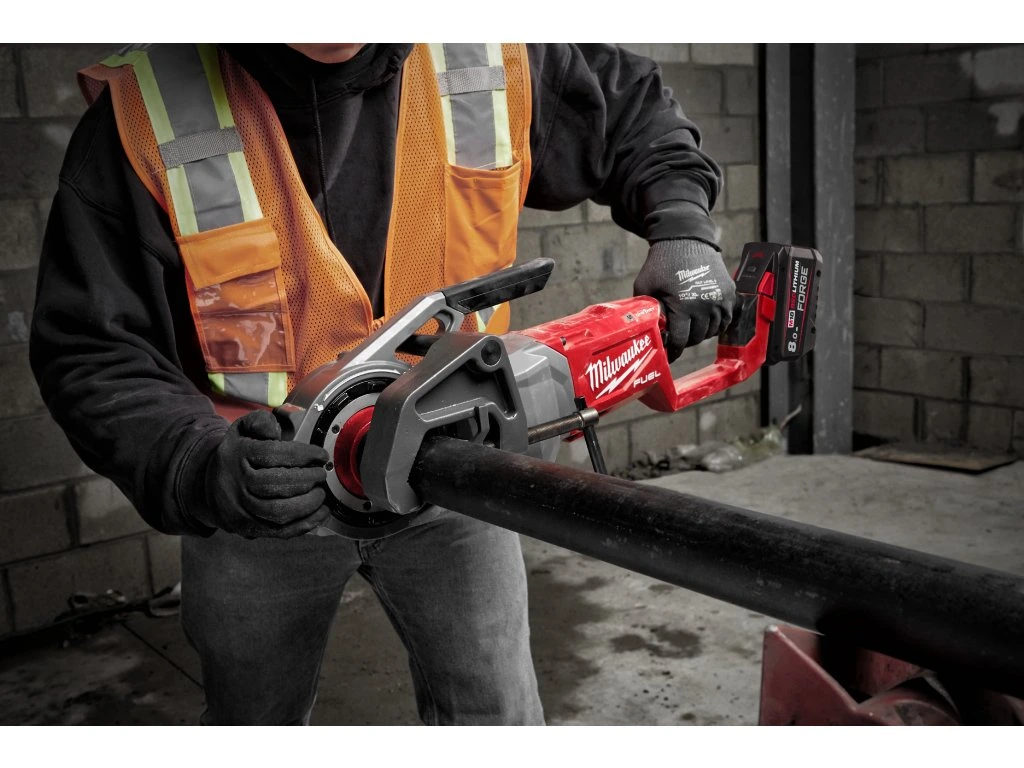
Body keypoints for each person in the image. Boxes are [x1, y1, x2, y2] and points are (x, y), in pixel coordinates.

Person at [30, 43, 736, 725]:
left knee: (496, 717)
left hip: (458, 469)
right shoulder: (150, 112)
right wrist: (199, 466)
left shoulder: (489, 50)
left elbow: (635, 114)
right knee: (253, 723)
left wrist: (683, 229)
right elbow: (94, 348)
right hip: (260, 493)